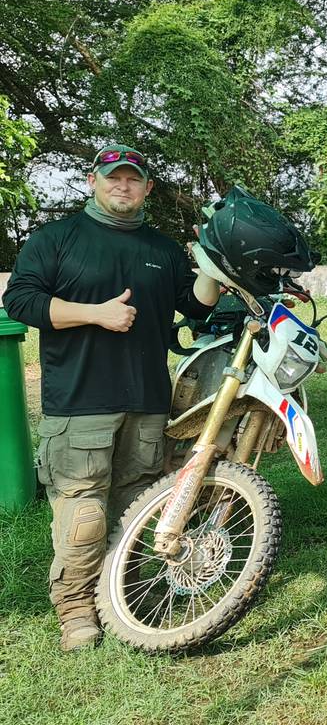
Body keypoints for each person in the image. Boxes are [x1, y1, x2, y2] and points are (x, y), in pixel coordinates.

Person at [3, 144, 222, 650]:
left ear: (146, 188)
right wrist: (95, 314)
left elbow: (194, 305)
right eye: (113, 178)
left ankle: (117, 592)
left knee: (131, 507)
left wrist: (213, 260)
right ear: (92, 181)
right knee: (83, 516)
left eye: (133, 179)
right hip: (80, 402)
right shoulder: (58, 238)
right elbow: (20, 299)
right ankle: (76, 610)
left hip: (146, 400)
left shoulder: (163, 248)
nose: (122, 186)